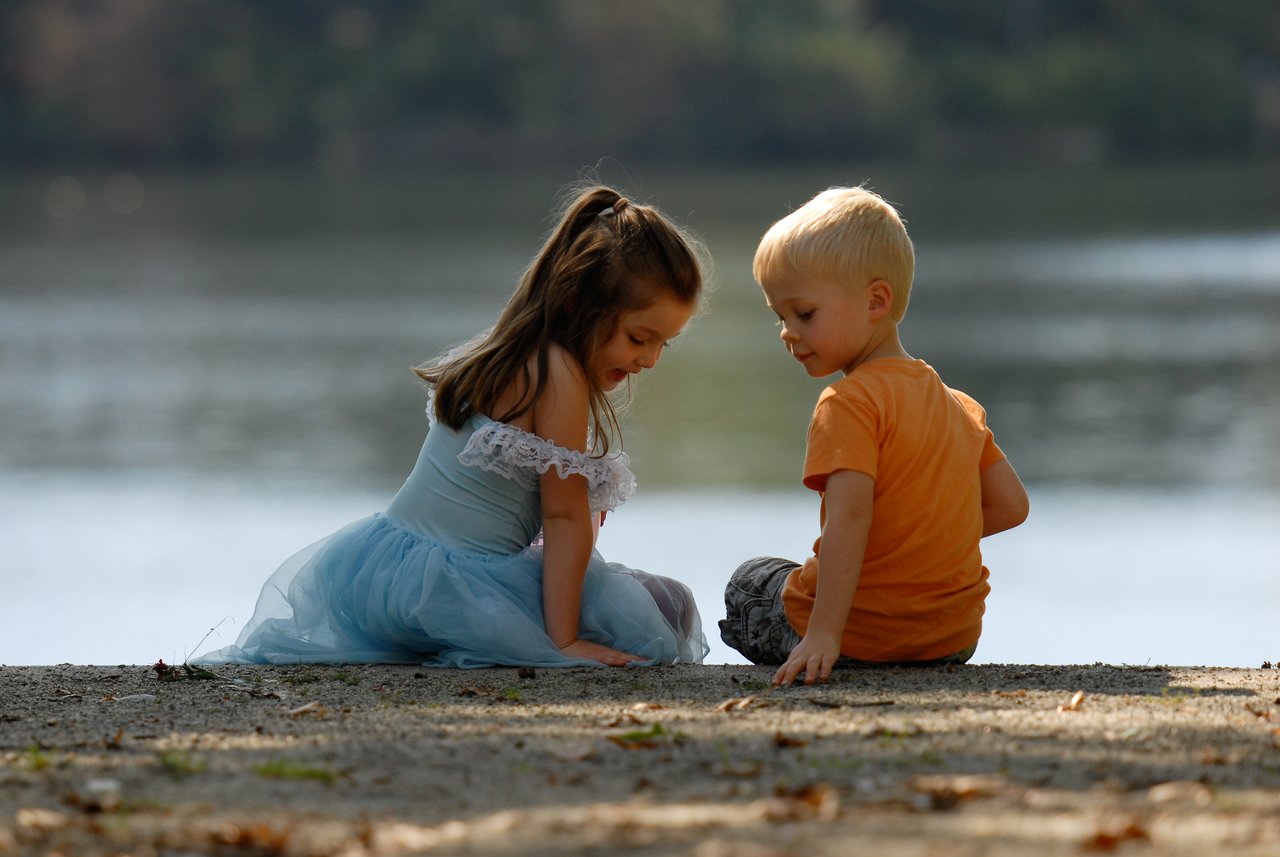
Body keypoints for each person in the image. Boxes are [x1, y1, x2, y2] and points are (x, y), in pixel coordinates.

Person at [196, 184, 709, 668]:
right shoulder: (560, 373)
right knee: (669, 606)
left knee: (632, 598)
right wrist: (565, 641)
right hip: (455, 591)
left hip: (379, 575)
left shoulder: (506, 354)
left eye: (665, 343)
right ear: (579, 302)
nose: (650, 360)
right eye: (640, 338)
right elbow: (563, 519)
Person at [719, 186, 1029, 686]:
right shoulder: (960, 407)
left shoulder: (848, 404)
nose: (787, 333)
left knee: (750, 581)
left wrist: (824, 636)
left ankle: (823, 632)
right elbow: (1012, 506)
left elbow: (850, 519)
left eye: (804, 314)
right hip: (951, 640)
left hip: (860, 639)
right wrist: (920, 544)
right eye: (781, 317)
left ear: (875, 301)